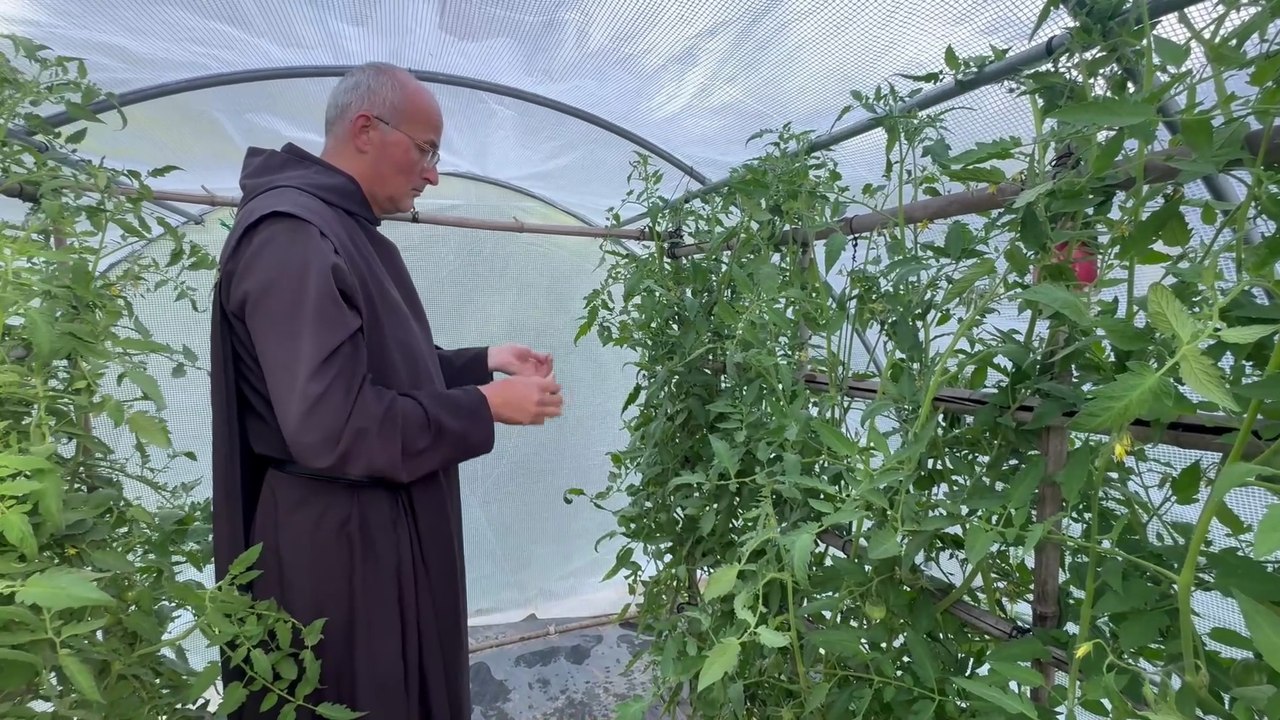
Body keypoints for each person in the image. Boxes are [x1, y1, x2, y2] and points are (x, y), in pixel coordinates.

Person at [208, 62, 564, 719]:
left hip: (366, 535)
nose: (433, 172)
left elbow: (374, 368)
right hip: (336, 559)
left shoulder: (338, 230)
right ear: (366, 129)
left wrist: (485, 362)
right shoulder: (293, 236)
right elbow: (331, 422)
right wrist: (485, 406)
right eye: (427, 149)